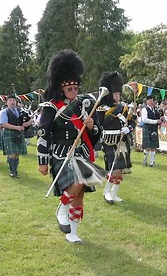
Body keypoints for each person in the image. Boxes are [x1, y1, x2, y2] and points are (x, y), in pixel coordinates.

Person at [37, 49, 101, 243]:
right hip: (61, 154)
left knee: (79, 195)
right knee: (77, 183)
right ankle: (61, 208)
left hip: (80, 152)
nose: (74, 92)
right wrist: (42, 161)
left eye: (76, 88)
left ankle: (72, 233)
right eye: (69, 89)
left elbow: (97, 133)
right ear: (61, 88)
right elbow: (43, 134)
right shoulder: (51, 107)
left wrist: (92, 127)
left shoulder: (85, 105)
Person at [97, 71, 136, 204]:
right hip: (109, 141)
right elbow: (98, 125)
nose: (118, 96)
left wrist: (128, 128)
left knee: (120, 170)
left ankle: (114, 193)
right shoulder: (102, 108)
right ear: (110, 94)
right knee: (114, 169)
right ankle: (107, 192)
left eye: (119, 94)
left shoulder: (124, 108)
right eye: (115, 94)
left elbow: (132, 122)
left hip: (122, 142)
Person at [0, 94, 32, 177]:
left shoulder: (21, 111)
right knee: (12, 153)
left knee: (17, 153)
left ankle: (15, 170)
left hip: (19, 134)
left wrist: (27, 123)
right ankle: (12, 171)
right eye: (10, 100)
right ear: (6, 102)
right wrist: (16, 127)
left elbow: (31, 118)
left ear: (16, 102)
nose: (12, 102)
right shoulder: (4, 112)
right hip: (9, 133)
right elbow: (3, 124)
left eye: (14, 100)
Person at [141, 95, 162, 167]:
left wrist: (161, 120)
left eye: (152, 100)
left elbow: (158, 118)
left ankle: (152, 162)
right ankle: (145, 159)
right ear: (146, 101)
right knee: (147, 147)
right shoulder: (144, 109)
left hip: (154, 129)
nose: (151, 102)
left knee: (153, 147)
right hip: (147, 129)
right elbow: (144, 120)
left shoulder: (155, 110)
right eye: (150, 100)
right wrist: (156, 121)